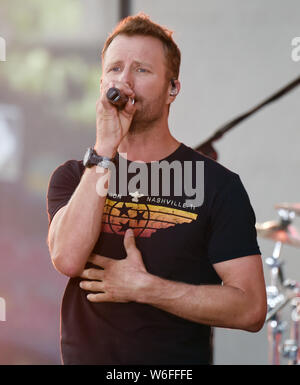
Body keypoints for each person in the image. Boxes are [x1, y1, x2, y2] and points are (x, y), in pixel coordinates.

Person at [46, 13, 267, 365]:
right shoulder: (75, 176)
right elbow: (67, 258)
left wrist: (147, 289)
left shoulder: (218, 186)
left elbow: (251, 309)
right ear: (103, 82)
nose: (125, 80)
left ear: (172, 89)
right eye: (115, 69)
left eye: (142, 70)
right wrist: (104, 151)